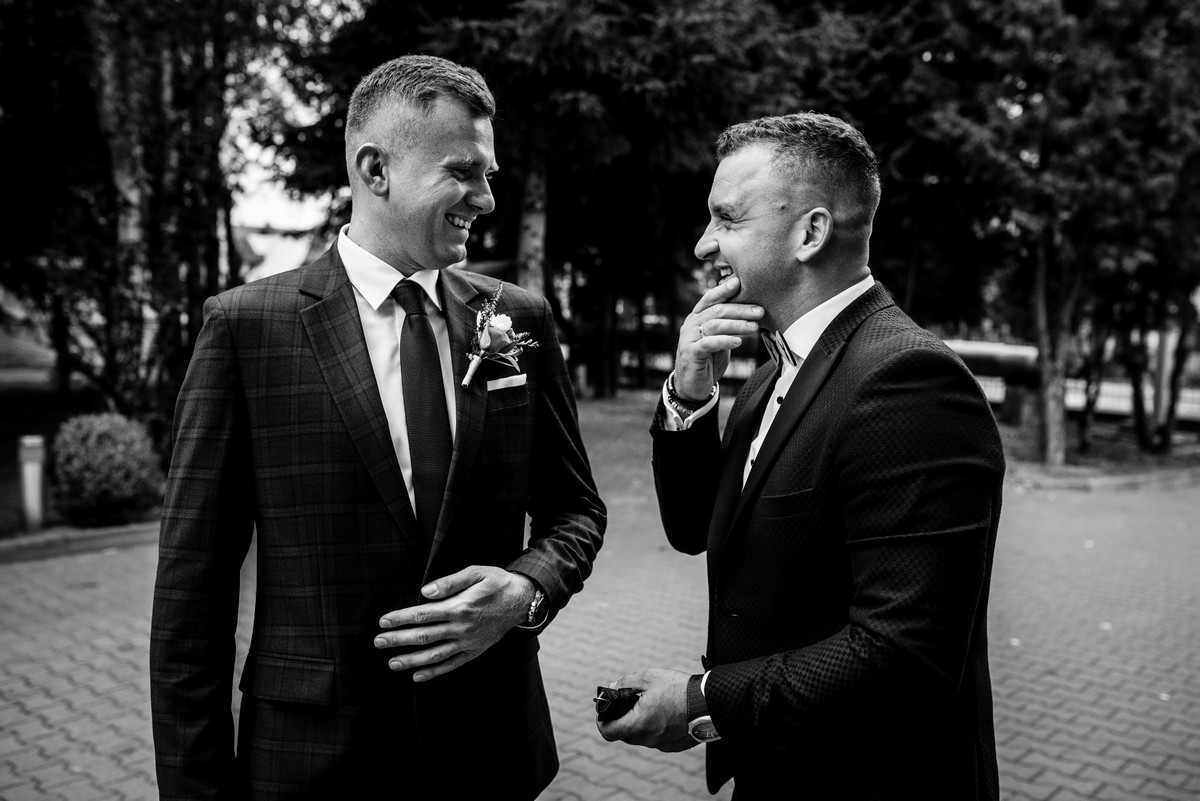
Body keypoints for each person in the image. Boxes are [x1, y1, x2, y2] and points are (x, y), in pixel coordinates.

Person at [150, 55, 606, 800]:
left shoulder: (516, 317)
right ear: (375, 169)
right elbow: (190, 594)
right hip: (316, 760)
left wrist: (527, 589)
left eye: (489, 173)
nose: (486, 197)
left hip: (488, 746)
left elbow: (576, 508)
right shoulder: (246, 329)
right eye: (462, 171)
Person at [598, 112, 1004, 800]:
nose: (703, 244)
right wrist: (689, 395)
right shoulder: (766, 377)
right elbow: (694, 527)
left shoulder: (909, 382)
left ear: (810, 233)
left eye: (727, 219)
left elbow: (905, 653)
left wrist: (701, 700)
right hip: (778, 768)